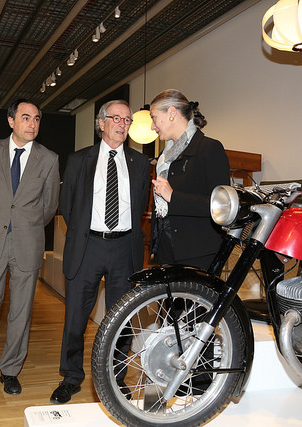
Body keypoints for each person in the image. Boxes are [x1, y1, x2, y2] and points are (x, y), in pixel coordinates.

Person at [50, 100, 151, 404]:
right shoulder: (79, 159)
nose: (122, 124)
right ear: (102, 123)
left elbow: (141, 205)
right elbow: (67, 205)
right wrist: (87, 232)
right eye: (116, 118)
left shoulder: (139, 163)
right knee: (75, 318)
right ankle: (71, 377)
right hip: (88, 246)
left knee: (122, 319)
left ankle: (115, 378)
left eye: (127, 120)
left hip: (125, 248)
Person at [0, 99, 60, 395]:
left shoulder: (49, 158)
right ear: (11, 121)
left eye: (37, 119)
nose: (32, 124)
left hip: (27, 243)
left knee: (21, 311)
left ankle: (11, 369)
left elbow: (49, 206)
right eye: (26, 117)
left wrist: (25, 224)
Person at [149, 89, 230, 270]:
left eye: (154, 118)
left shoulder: (209, 148)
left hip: (198, 253)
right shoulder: (163, 157)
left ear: (172, 113)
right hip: (166, 251)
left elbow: (222, 206)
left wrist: (174, 197)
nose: (152, 127)